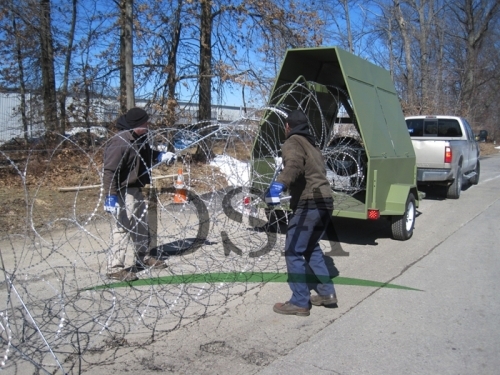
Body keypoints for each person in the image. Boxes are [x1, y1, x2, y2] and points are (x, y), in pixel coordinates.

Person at [265, 109, 337, 316]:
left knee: (293, 251)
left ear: (288, 126)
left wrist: (278, 186)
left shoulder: (293, 142)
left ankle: (299, 302)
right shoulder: (313, 145)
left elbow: (293, 166)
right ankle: (326, 293)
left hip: (310, 204)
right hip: (325, 202)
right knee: (310, 247)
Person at [103, 107, 175, 281]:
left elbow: (146, 154)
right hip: (122, 190)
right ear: (136, 124)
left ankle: (143, 257)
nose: (148, 125)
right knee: (123, 227)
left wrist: (160, 156)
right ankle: (114, 268)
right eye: (145, 123)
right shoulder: (120, 141)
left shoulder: (139, 137)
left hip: (135, 188)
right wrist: (110, 195)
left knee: (141, 224)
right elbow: (109, 171)